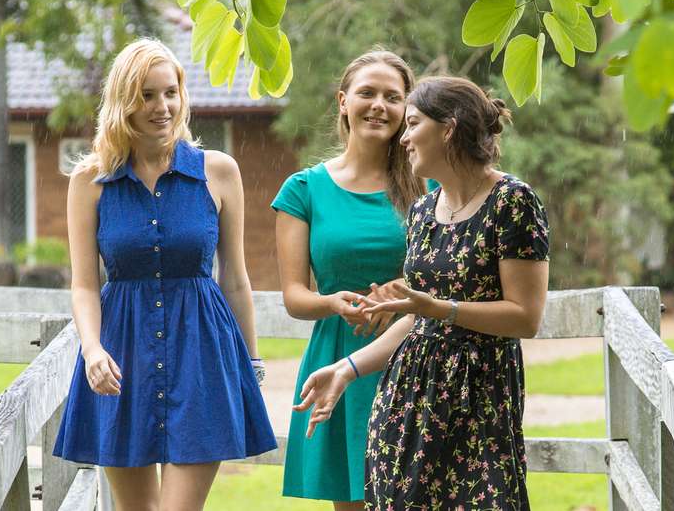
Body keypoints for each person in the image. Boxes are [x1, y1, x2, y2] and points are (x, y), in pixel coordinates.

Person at [294, 76, 550, 509]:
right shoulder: (422, 212)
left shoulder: (513, 201)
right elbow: (417, 318)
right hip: (406, 402)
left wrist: (441, 308)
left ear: (448, 128)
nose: (405, 137)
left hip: (480, 403)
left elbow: (525, 317)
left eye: (412, 123)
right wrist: (347, 369)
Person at [52, 38, 276, 511]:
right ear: (123, 103)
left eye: (170, 93)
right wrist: (92, 349)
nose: (162, 107)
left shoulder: (219, 172)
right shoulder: (90, 181)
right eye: (147, 95)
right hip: (120, 359)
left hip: (203, 357)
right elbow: (84, 284)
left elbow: (234, 277)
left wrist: (251, 365)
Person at [272, 50, 426, 509]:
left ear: (406, 111)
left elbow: (447, 274)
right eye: (367, 93)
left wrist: (403, 291)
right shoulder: (303, 190)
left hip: (415, 352)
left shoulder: (430, 184)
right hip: (339, 349)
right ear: (343, 101)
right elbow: (296, 297)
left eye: (392, 97)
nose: (379, 104)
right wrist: (334, 301)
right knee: (355, 499)